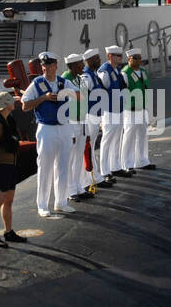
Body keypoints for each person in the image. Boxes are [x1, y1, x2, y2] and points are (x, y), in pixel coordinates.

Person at [20, 52, 74, 217]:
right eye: (44, 66)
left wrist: (67, 95)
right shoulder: (37, 84)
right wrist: (43, 98)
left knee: (64, 165)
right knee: (45, 167)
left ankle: (61, 201)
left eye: (50, 65)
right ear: (42, 67)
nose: (48, 68)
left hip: (64, 127)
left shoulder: (64, 82)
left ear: (56, 66)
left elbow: (81, 96)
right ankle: (42, 205)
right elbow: (25, 105)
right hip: (47, 128)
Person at [0, 91, 26, 245]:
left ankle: (8, 232)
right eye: (11, 101)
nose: (14, 103)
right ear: (5, 105)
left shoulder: (8, 120)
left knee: (8, 200)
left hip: (10, 165)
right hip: (1, 166)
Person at [61, 53, 92, 203]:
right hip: (71, 121)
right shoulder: (65, 80)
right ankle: (70, 190)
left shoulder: (79, 78)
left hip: (81, 120)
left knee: (79, 155)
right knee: (71, 157)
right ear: (73, 65)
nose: (83, 66)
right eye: (80, 64)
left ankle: (79, 186)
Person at [97, 45, 132, 177]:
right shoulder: (104, 71)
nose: (120, 58)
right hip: (109, 111)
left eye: (120, 55)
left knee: (117, 138)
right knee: (107, 140)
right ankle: (105, 171)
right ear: (110, 56)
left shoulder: (116, 70)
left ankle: (115, 166)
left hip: (118, 109)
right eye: (118, 55)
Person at [80, 47, 111, 191]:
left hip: (95, 115)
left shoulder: (93, 75)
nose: (99, 60)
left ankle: (95, 177)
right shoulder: (86, 76)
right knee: (87, 149)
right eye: (96, 58)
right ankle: (88, 180)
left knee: (91, 149)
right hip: (89, 116)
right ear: (89, 61)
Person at [121, 48, 153, 170]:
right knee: (129, 136)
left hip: (142, 108)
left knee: (143, 135)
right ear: (129, 59)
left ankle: (142, 160)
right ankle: (127, 164)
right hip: (131, 110)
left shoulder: (143, 72)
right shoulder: (125, 73)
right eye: (136, 58)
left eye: (140, 58)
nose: (139, 60)